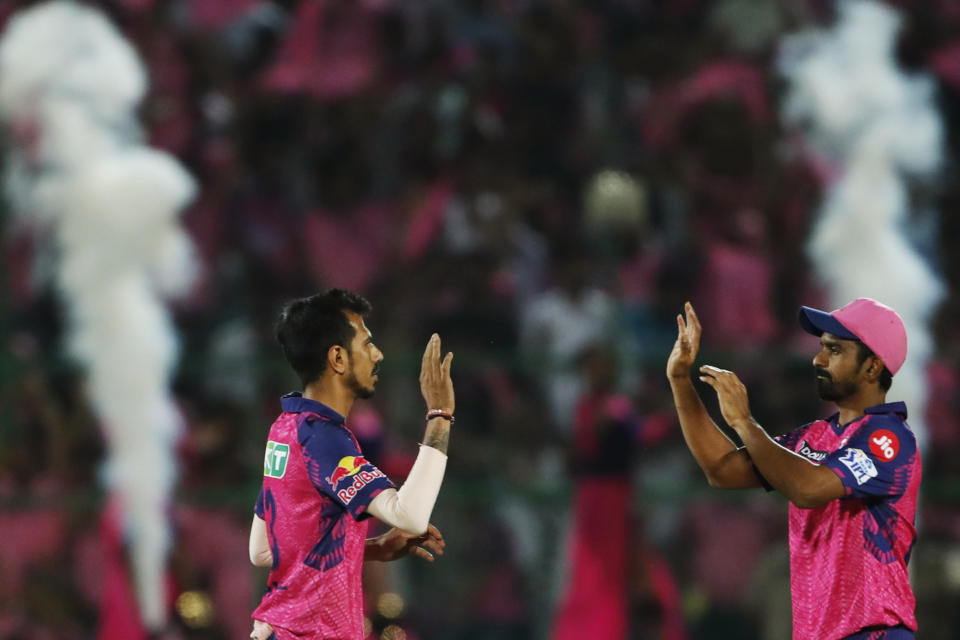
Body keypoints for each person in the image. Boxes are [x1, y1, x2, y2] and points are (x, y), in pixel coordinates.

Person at [666, 298, 920, 640]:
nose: (819, 359)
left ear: (872, 367)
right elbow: (722, 471)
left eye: (835, 350)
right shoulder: (814, 436)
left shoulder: (889, 438)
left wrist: (744, 422)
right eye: (822, 348)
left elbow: (808, 489)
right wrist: (681, 380)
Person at [248, 289, 455, 640]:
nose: (378, 354)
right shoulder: (325, 438)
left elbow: (264, 550)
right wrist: (439, 415)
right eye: (367, 344)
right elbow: (410, 515)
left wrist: (372, 549)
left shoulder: (285, 428)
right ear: (338, 358)